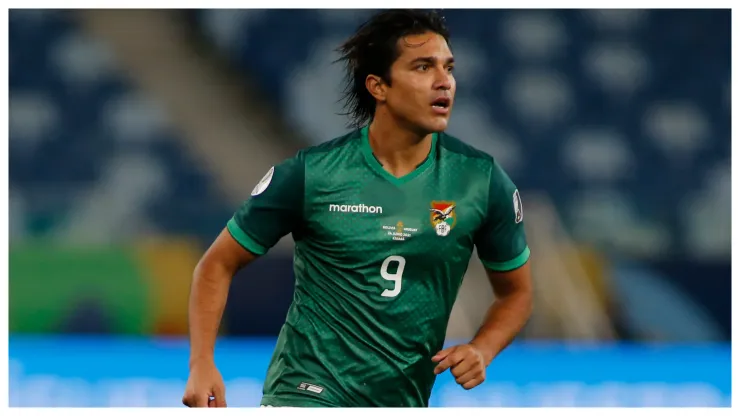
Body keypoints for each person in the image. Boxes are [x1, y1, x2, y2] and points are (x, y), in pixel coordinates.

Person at [182, 9, 533, 408]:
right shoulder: (312, 174)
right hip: (306, 392)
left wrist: (483, 348)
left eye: (448, 68)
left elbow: (516, 293)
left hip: (401, 399)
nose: (444, 82)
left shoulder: (480, 181)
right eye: (423, 67)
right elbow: (216, 264)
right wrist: (202, 363)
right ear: (378, 86)